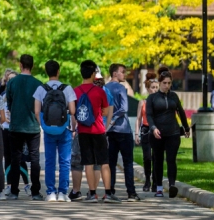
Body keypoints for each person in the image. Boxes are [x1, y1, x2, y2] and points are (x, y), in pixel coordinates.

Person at [74, 60, 118, 203]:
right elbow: (105, 112)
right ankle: (108, 193)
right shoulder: (100, 91)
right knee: (104, 162)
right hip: (98, 130)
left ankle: (92, 194)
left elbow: (73, 111)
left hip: (83, 131)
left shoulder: (76, 91)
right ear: (93, 74)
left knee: (88, 163)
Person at [33, 60, 76, 203]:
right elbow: (73, 110)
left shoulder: (41, 89)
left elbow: (37, 111)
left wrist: (44, 125)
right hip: (64, 129)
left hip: (49, 130)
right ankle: (63, 193)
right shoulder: (67, 88)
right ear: (58, 71)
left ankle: (50, 192)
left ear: (47, 72)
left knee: (49, 161)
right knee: (65, 161)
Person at [146, 66, 190, 198]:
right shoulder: (152, 98)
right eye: (164, 83)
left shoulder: (174, 96)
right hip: (157, 134)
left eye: (169, 83)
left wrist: (186, 128)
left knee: (171, 159)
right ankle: (159, 188)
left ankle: (172, 185)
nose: (167, 85)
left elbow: (181, 112)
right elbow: (149, 115)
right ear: (159, 83)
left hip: (173, 132)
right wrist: (153, 128)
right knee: (158, 160)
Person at [6, 54, 43, 201]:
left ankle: (14, 191)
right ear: (32, 66)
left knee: (15, 159)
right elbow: (41, 106)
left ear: (20, 65)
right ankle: (35, 192)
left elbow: (9, 103)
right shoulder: (38, 84)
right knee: (34, 159)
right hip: (33, 126)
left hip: (15, 125)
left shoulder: (12, 82)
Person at [105, 63, 140, 202]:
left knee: (110, 163)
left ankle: (110, 191)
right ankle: (131, 193)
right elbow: (124, 108)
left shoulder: (104, 88)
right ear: (115, 74)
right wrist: (114, 118)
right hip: (123, 130)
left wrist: (108, 121)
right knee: (128, 163)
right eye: (122, 72)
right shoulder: (121, 88)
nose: (124, 74)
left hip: (109, 131)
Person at [1, 71, 30, 195]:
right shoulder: (2, 96)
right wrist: (3, 119)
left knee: (20, 158)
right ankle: (9, 184)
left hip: (18, 129)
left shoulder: (22, 95)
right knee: (7, 158)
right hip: (6, 129)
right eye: (9, 80)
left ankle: (27, 185)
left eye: (13, 79)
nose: (11, 82)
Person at [135, 72, 159, 192]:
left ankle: (155, 181)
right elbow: (138, 119)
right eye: (153, 88)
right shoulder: (142, 103)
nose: (155, 90)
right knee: (147, 157)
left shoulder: (160, 102)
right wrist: (136, 133)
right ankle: (147, 180)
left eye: (156, 88)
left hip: (157, 131)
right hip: (145, 130)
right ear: (148, 89)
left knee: (156, 157)